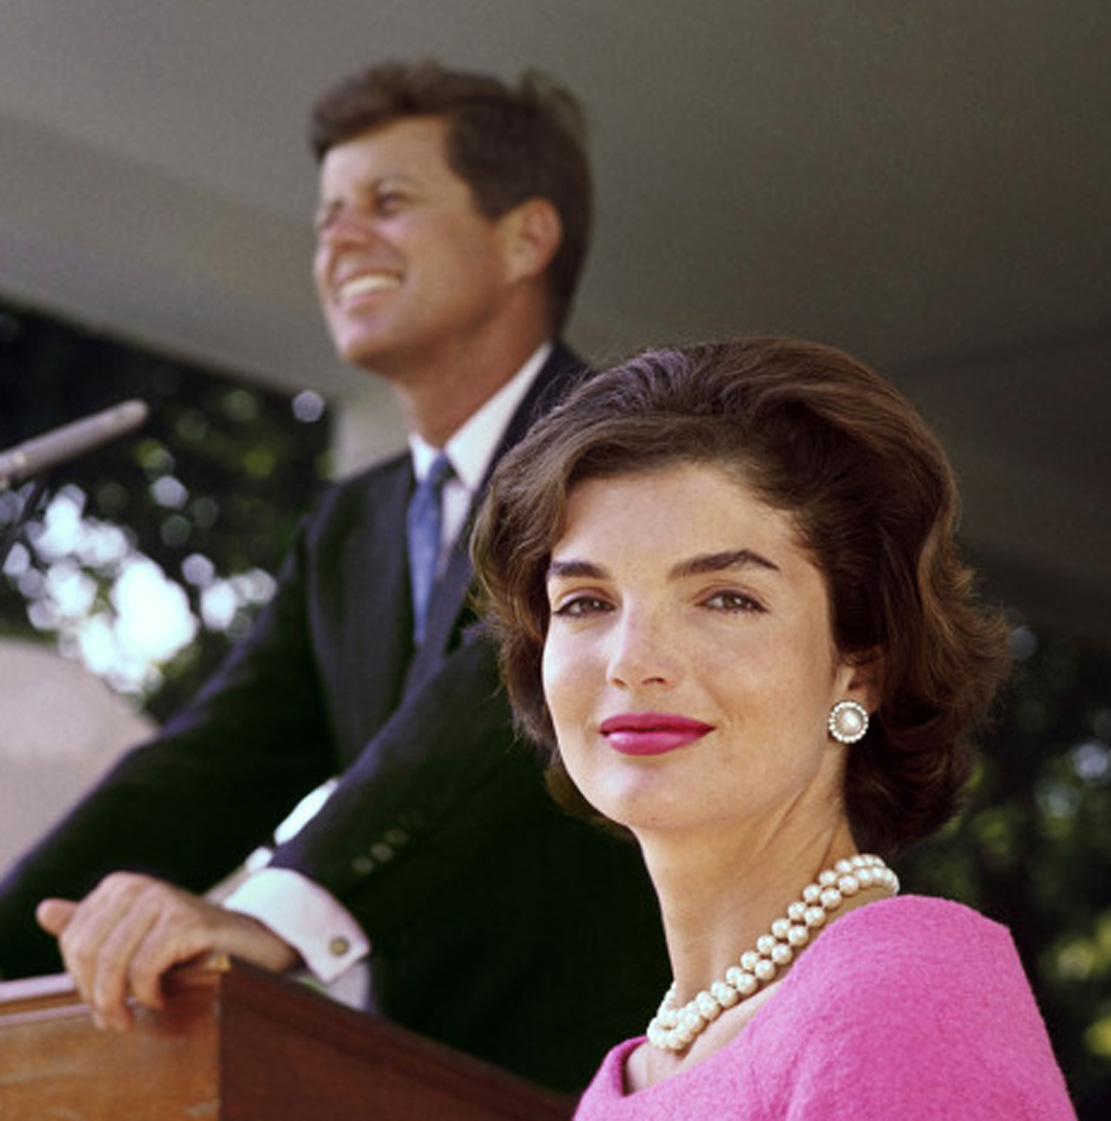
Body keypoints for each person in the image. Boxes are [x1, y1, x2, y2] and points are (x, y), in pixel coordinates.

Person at [0, 59, 668, 1093]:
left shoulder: (628, 448)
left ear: (524, 238)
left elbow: (500, 684)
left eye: (387, 202)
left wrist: (274, 911)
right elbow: (208, 767)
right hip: (414, 1079)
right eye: (326, 218)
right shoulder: (352, 525)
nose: (339, 241)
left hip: (632, 1073)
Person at [472, 336, 1078, 1117]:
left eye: (727, 598)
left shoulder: (898, 994)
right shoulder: (629, 1082)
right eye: (585, 602)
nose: (633, 661)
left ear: (859, 667)